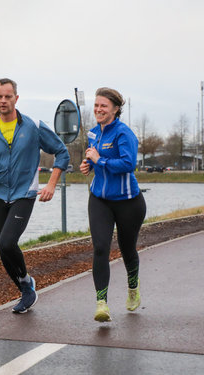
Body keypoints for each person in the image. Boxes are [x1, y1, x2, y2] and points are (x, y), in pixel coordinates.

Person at [0, 78, 69, 313]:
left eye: (8, 96)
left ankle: (26, 287)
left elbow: (61, 153)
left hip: (25, 194)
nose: (3, 100)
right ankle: (25, 286)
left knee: (7, 242)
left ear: (16, 98)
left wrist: (51, 185)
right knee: (3, 249)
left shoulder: (33, 126)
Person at [80, 87, 147, 322]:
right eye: (96, 105)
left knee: (127, 249)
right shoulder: (92, 134)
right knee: (100, 248)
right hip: (99, 200)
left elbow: (129, 164)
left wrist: (101, 160)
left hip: (128, 202)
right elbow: (94, 159)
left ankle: (132, 287)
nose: (98, 110)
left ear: (116, 109)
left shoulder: (124, 134)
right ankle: (102, 304)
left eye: (104, 106)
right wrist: (89, 165)